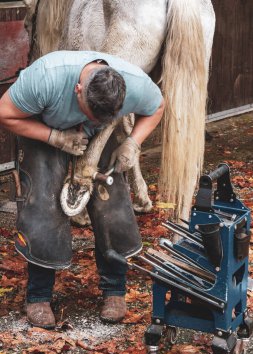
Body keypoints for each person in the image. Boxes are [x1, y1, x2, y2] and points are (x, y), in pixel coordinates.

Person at [0, 50, 164, 329]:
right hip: (45, 128)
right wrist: (55, 137)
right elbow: (5, 113)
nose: (96, 119)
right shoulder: (46, 78)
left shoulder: (133, 82)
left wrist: (133, 143)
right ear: (78, 90)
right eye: (92, 114)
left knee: (112, 205)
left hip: (98, 138)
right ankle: (38, 296)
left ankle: (114, 291)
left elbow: (157, 107)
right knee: (44, 206)